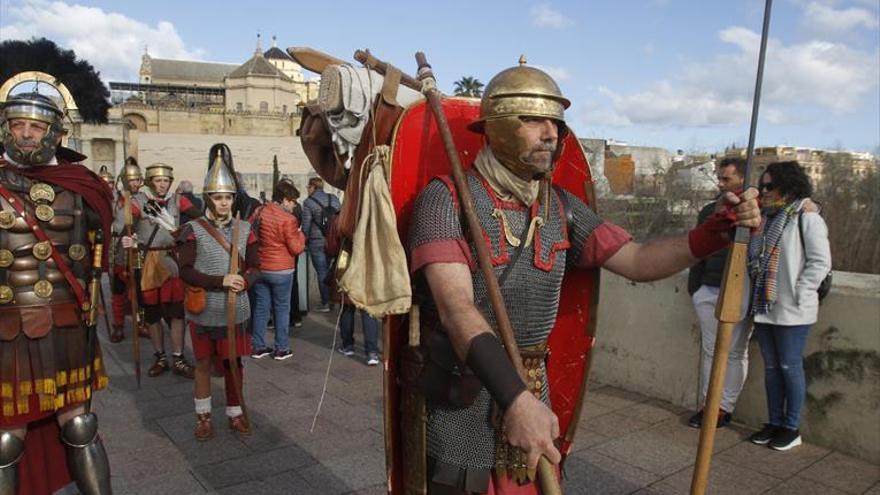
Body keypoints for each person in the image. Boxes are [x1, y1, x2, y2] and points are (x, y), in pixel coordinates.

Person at [406, 63, 760, 493]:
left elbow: (637, 259)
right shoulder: (445, 200)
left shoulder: (561, 208)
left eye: (554, 121)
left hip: (532, 392)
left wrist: (710, 236)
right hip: (464, 393)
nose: (549, 133)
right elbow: (456, 309)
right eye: (533, 119)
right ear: (496, 126)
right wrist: (514, 398)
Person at [0, 92, 113, 494]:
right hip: (8, 328)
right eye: (18, 125)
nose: (26, 135)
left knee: (80, 425)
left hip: (67, 323)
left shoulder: (82, 186)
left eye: (35, 127)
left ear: (54, 133)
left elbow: (100, 251)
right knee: (6, 438)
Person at [747, 161, 831, 451]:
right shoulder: (767, 218)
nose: (765, 191)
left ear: (788, 184)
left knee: (789, 366)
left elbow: (821, 261)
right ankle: (775, 422)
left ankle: (791, 427)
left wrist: (801, 291)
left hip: (793, 308)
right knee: (771, 368)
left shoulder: (806, 216)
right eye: (763, 185)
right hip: (765, 305)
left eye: (770, 185)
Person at [177, 153, 259, 440]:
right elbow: (185, 271)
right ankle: (203, 417)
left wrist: (245, 282)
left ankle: (235, 413)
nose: (223, 202)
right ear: (207, 198)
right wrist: (221, 280)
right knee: (201, 363)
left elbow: (255, 266)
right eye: (217, 196)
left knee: (233, 363)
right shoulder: (193, 230)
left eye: (227, 197)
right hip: (204, 308)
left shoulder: (246, 229)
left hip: (236, 309)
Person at [686, 157, 751, 429]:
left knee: (734, 351)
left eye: (727, 179)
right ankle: (709, 405)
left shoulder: (753, 211)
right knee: (712, 350)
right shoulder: (710, 210)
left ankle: (723, 408)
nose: (721, 184)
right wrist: (696, 287)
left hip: (739, 288)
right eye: (720, 178)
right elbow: (697, 247)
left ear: (742, 180)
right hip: (707, 288)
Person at [121, 163, 199, 379]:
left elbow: (199, 219)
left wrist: (183, 234)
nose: (163, 184)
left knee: (176, 313)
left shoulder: (177, 200)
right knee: (153, 315)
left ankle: (178, 357)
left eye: (166, 180)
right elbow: (123, 225)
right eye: (158, 180)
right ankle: (160, 357)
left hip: (171, 261)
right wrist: (128, 238)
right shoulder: (138, 202)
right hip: (149, 262)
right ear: (150, 182)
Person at [249, 180, 305, 360]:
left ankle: (258, 346)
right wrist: (301, 234)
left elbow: (249, 232)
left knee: (261, 308)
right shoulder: (289, 219)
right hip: (281, 269)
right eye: (293, 201)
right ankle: (281, 348)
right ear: (285, 200)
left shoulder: (259, 211)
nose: (294, 204)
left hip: (261, 266)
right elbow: (296, 248)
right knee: (281, 308)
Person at [109, 158, 145, 342]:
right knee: (118, 289)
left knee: (140, 289)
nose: (135, 183)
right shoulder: (114, 200)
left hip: (137, 248)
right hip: (118, 248)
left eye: (138, 180)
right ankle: (118, 325)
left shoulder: (144, 199)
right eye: (132, 180)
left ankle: (141, 323)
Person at [300, 177, 340, 312]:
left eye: (308, 186)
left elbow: (305, 226)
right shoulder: (334, 199)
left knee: (322, 272)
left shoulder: (308, 202)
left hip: (316, 241)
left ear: (313, 187)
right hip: (333, 241)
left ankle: (326, 302)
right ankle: (335, 298)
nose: (307, 189)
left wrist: (303, 240)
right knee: (332, 270)